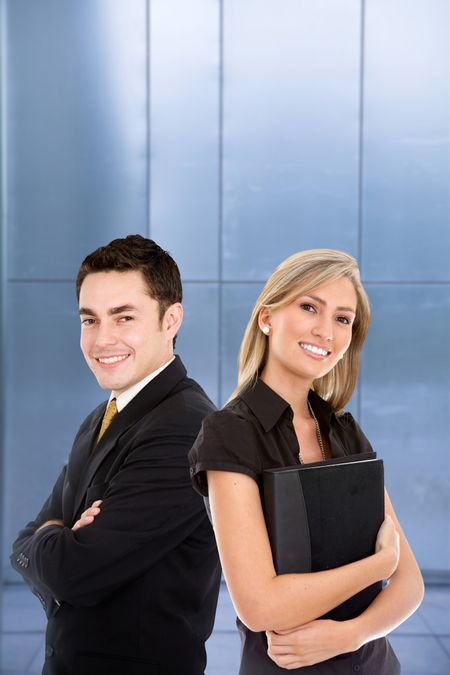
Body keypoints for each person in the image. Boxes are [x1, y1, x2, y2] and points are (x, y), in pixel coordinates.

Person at [189, 249, 424, 674]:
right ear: (267, 318)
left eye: (343, 318)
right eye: (309, 307)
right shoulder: (230, 434)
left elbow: (410, 586)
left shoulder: (345, 432)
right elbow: (260, 606)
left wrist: (351, 634)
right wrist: (378, 565)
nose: (325, 331)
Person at [11, 235, 221, 675]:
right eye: (90, 320)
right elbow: (20, 547)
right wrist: (55, 537)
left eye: (124, 317)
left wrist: (53, 537)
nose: (102, 339)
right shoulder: (103, 415)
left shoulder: (187, 428)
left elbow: (73, 573)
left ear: (171, 319)